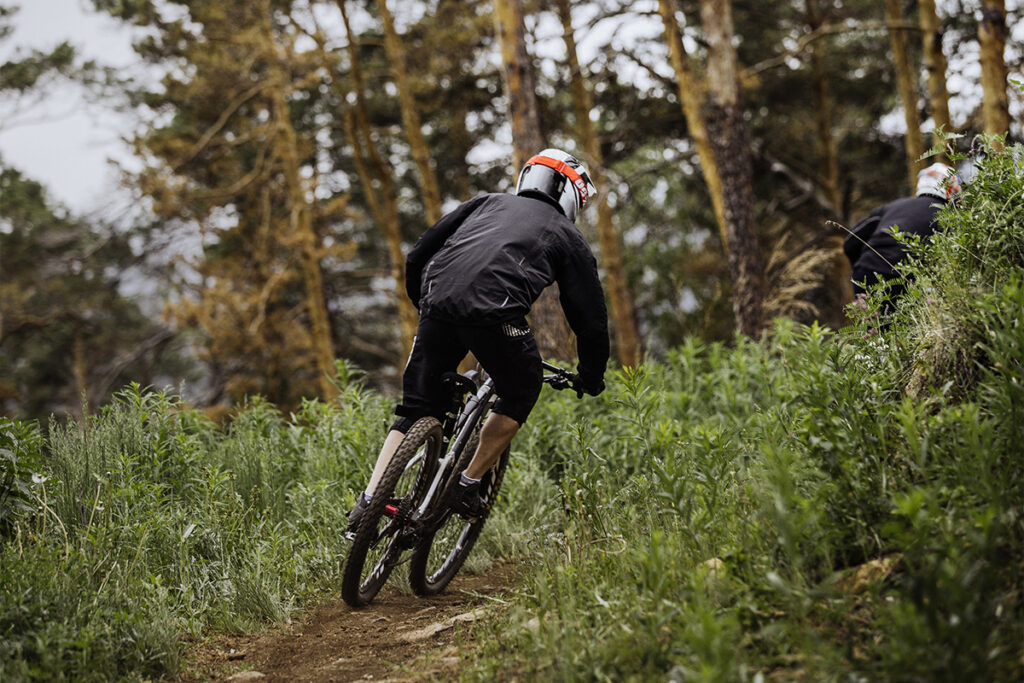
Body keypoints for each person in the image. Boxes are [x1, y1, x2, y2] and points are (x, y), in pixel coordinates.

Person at [348, 148, 610, 530]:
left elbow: (418, 255)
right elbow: (590, 323)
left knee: (415, 409)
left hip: (435, 302)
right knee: (522, 387)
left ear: (528, 177)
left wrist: (426, 306)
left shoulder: (486, 203)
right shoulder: (567, 236)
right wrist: (591, 376)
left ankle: (368, 502)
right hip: (497, 317)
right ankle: (467, 484)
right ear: (571, 197)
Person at [843, 162, 962, 308]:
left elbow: (851, 242)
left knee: (873, 326)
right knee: (910, 328)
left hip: (866, 271)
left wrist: (861, 266)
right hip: (907, 279)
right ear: (953, 188)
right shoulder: (949, 216)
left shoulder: (894, 206)